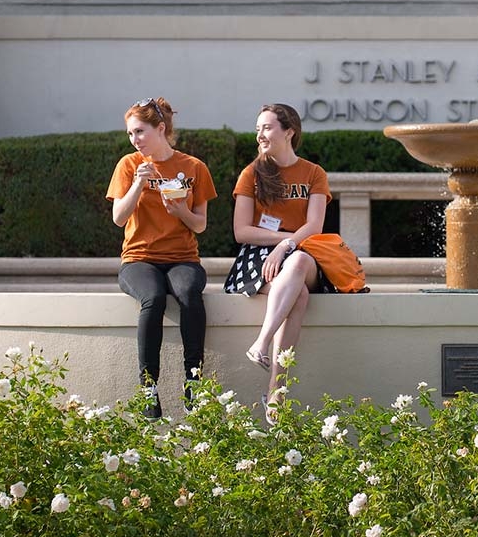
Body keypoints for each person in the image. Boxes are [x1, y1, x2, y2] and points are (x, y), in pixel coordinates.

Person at [106, 98, 217, 419]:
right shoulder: (129, 165)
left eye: (140, 132)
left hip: (182, 257)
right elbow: (118, 217)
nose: (135, 140)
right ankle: (148, 388)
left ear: (161, 129)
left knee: (188, 295)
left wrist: (180, 209)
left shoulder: (194, 168)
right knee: (152, 298)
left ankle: (194, 382)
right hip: (139, 258)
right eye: (130, 134)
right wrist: (140, 183)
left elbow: (200, 224)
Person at [228, 103, 332, 424]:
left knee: (298, 260)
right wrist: (277, 245)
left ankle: (262, 341)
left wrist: (287, 243)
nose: (260, 134)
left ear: (289, 132)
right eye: (258, 128)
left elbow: (314, 227)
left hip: (303, 252)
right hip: (259, 257)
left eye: (267, 128)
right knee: (297, 295)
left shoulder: (313, 173)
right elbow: (241, 230)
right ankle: (277, 390)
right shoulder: (252, 173)